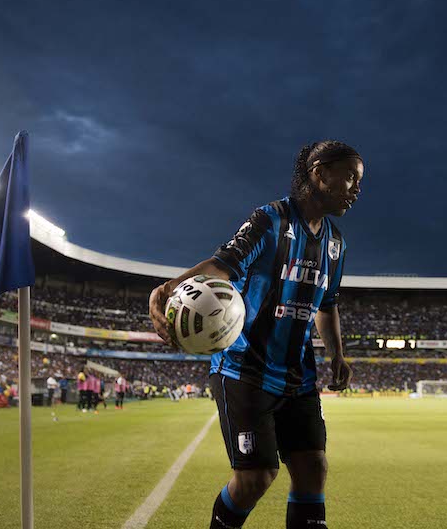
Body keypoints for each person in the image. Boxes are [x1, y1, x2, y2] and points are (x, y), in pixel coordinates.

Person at [150, 141, 362, 529]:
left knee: (313, 466)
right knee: (255, 478)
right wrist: (169, 289)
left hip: (297, 376)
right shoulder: (271, 220)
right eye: (348, 176)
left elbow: (327, 304)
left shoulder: (336, 244)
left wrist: (336, 354)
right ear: (318, 173)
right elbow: (221, 265)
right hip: (245, 369)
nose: (355, 187)